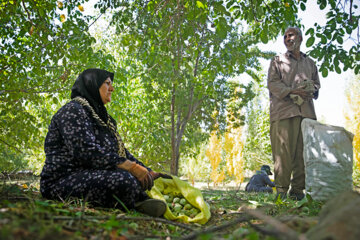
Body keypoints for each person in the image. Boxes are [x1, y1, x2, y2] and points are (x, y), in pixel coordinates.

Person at [40, 68, 171, 217]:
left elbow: (122, 152)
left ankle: (138, 200)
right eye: (107, 83)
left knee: (142, 179)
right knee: (124, 180)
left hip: (91, 174)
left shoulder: (104, 119)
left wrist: (146, 170)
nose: (112, 88)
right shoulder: (73, 111)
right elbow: (86, 152)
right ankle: (137, 202)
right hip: (62, 180)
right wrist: (131, 168)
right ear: (93, 84)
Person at [267, 27, 320, 201]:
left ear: (300, 38)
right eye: (285, 36)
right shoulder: (277, 61)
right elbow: (273, 84)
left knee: (303, 154)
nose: (288, 39)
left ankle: (297, 191)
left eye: (291, 35)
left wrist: (312, 89)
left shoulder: (310, 63)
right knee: (283, 153)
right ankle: (281, 191)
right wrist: (292, 92)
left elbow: (317, 85)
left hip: (306, 114)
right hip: (283, 113)